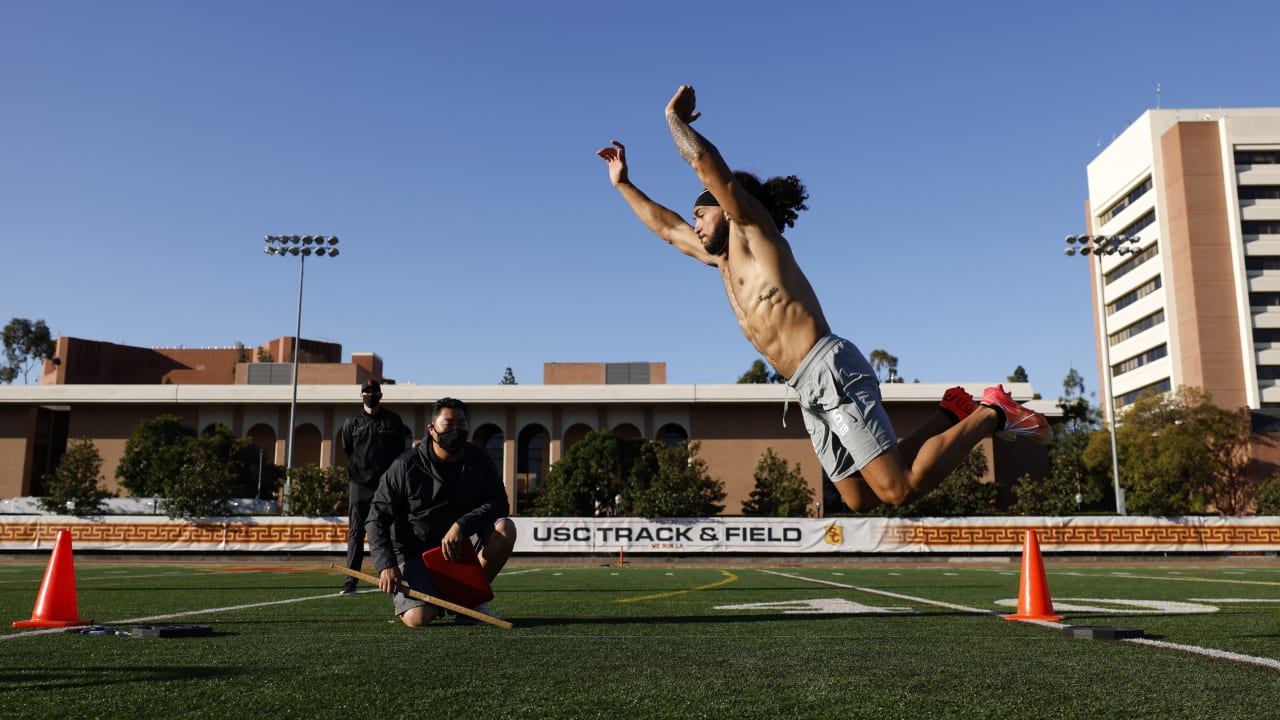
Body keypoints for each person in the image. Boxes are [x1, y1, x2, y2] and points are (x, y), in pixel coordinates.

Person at [595, 85, 1051, 514]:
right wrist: (622, 184)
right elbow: (667, 230)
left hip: (828, 369)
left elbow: (707, 167)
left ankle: (993, 413)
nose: (693, 223)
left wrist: (673, 120)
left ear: (725, 206)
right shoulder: (723, 263)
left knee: (898, 488)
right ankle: (949, 413)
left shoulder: (755, 233)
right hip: (805, 388)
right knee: (859, 499)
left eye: (700, 212)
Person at [366, 397, 517, 627]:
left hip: (456, 551)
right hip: (412, 553)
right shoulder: (405, 465)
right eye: (448, 424)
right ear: (432, 428)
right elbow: (376, 517)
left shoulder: (479, 459)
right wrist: (386, 564)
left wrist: (461, 525)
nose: (455, 430)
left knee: (506, 528)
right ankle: (429, 598)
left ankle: (468, 603)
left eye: (461, 424)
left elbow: (499, 503)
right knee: (418, 618)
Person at [337, 379, 410, 594]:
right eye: (366, 391)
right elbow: (348, 449)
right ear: (361, 395)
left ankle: (400, 577)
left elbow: (400, 450)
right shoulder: (352, 422)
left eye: (374, 391)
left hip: (387, 486)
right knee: (356, 532)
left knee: (394, 531)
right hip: (360, 484)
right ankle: (350, 582)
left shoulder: (393, 420)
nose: (370, 394)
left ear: (381, 394)